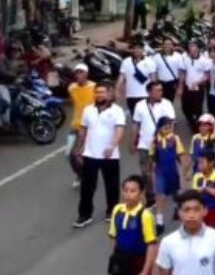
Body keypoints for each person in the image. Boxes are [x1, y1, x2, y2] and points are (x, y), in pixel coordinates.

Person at [76, 82, 127, 229]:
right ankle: (84, 214)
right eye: (97, 92)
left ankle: (112, 211)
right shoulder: (88, 110)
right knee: (87, 187)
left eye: (102, 92)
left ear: (110, 94)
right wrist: (79, 148)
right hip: (90, 154)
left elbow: (119, 130)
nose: (99, 95)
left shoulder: (117, 111)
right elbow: (83, 130)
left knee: (111, 186)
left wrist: (112, 146)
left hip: (109, 155)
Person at [132, 81, 177, 206]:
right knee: (145, 172)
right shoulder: (140, 106)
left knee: (165, 170)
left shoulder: (166, 104)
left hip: (162, 145)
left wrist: (170, 139)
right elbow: (136, 124)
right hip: (144, 144)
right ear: (149, 92)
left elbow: (172, 123)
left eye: (161, 90)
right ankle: (150, 197)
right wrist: (133, 141)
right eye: (157, 90)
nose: (160, 92)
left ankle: (171, 192)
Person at [150, 116, 188, 230]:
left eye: (169, 126)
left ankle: (177, 208)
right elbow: (152, 157)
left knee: (175, 193)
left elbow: (181, 155)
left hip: (173, 170)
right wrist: (152, 171)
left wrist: (184, 172)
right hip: (160, 171)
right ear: (159, 127)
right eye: (164, 126)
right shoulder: (155, 140)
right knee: (159, 195)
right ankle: (159, 222)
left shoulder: (175, 139)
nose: (167, 128)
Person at [66, 62, 97, 185]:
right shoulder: (71, 88)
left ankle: (88, 175)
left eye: (81, 72)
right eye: (76, 72)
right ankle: (80, 174)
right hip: (75, 125)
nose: (78, 75)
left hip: (90, 127)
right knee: (69, 153)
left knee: (84, 153)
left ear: (87, 74)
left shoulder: (94, 87)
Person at [117, 41, 157, 116]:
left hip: (145, 95)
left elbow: (153, 79)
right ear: (132, 50)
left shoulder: (150, 62)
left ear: (143, 50)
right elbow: (121, 76)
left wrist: (154, 93)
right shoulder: (126, 62)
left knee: (145, 116)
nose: (137, 50)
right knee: (134, 117)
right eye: (135, 48)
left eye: (139, 48)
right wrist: (117, 89)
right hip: (131, 95)